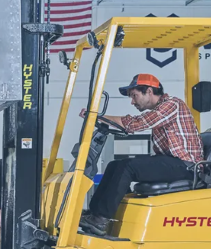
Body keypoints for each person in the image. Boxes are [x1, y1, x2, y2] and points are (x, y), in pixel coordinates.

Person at [80, 73, 203, 236]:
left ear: (149, 91)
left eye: (134, 96)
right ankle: (94, 213)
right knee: (114, 165)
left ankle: (101, 219)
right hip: (172, 162)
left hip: (186, 166)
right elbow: (133, 124)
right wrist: (101, 119)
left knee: (128, 167)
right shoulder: (161, 109)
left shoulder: (172, 105)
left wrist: (98, 117)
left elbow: (137, 124)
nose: (132, 101)